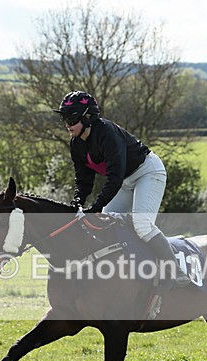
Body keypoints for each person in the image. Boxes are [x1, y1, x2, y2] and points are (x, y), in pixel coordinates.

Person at [53, 90, 189, 291]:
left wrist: (96, 206)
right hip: (125, 181)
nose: (67, 124)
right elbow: (84, 180)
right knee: (107, 222)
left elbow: (114, 178)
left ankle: (176, 269)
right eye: (65, 118)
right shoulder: (76, 144)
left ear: (88, 117)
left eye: (71, 118)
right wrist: (78, 203)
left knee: (142, 224)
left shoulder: (107, 133)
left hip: (147, 172)